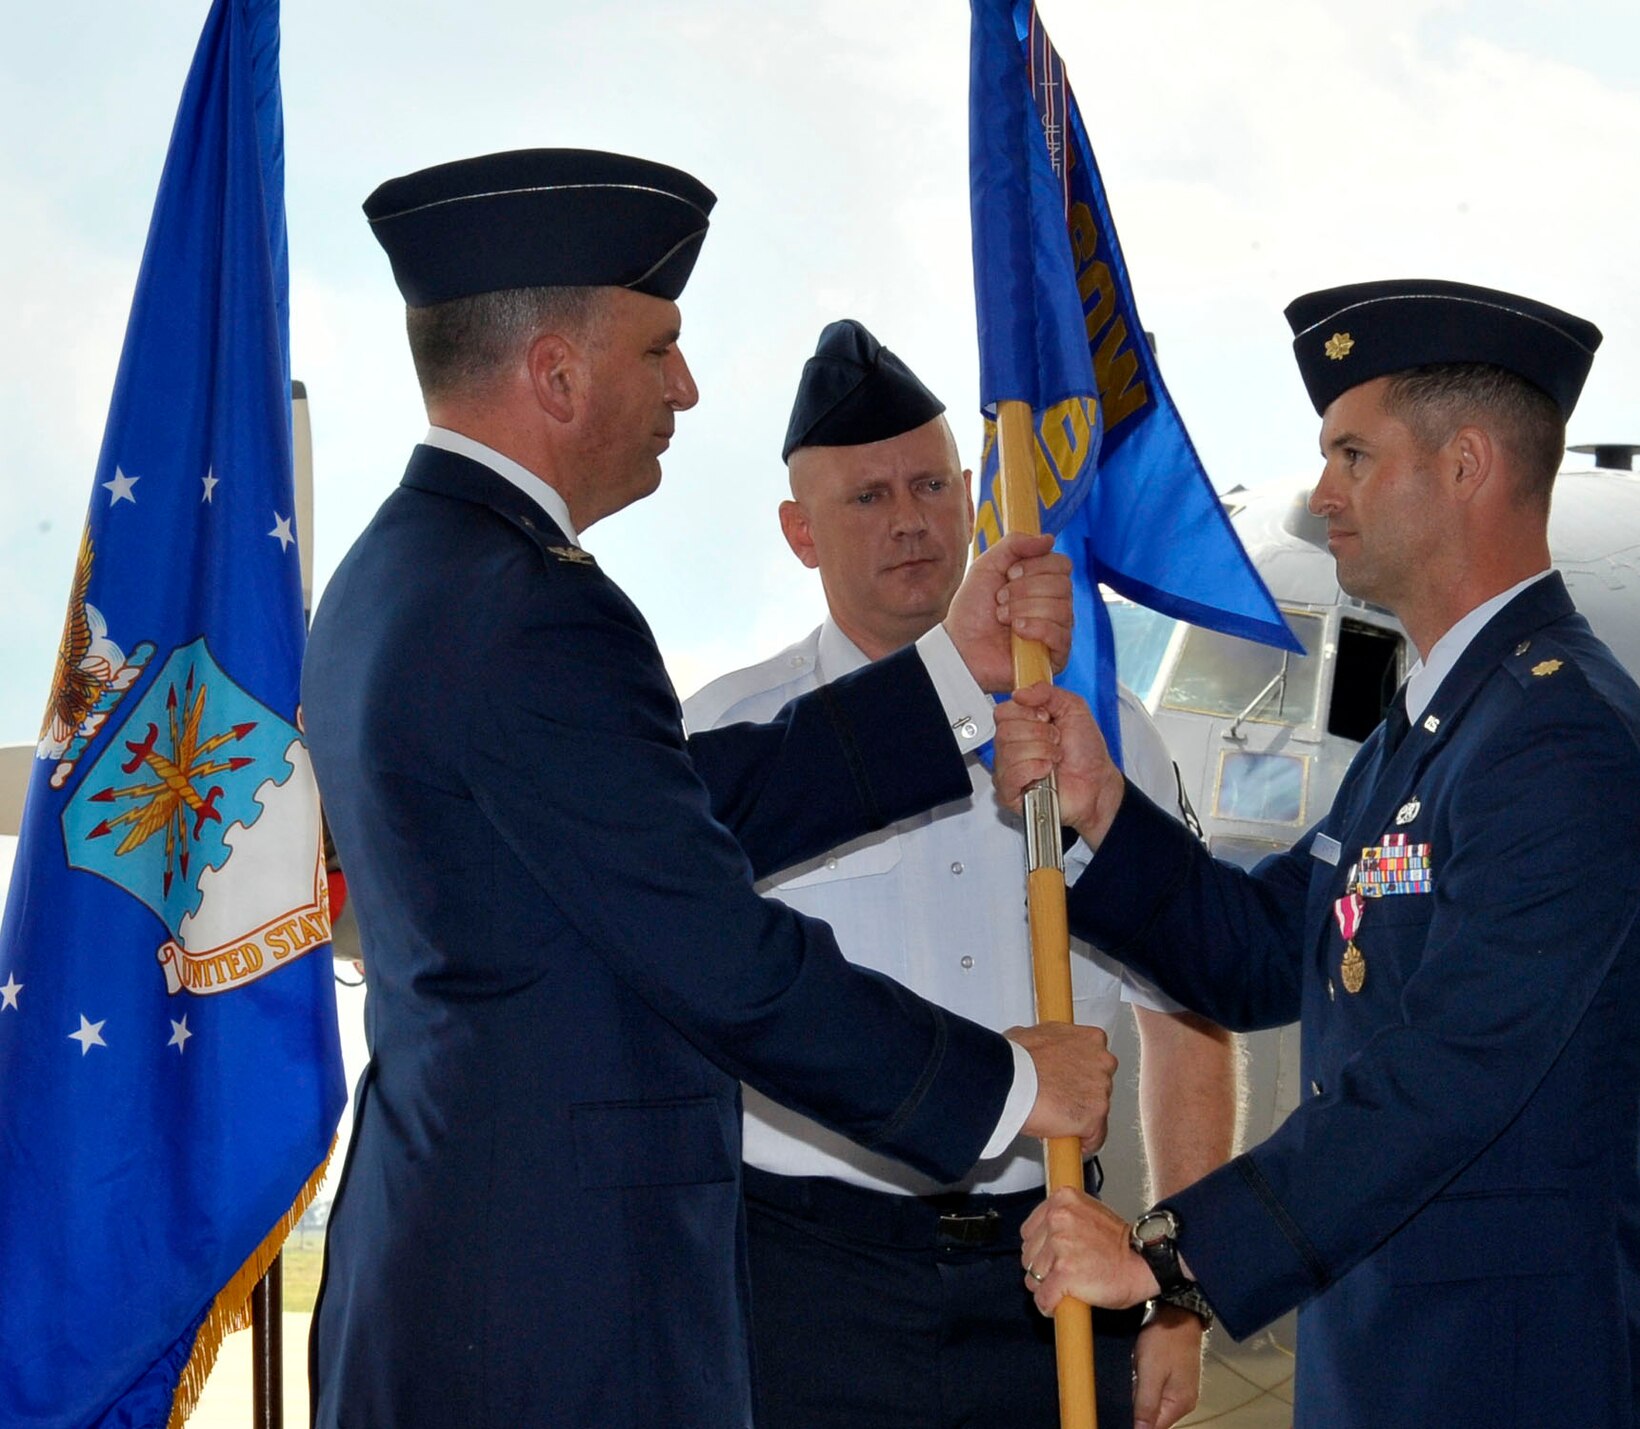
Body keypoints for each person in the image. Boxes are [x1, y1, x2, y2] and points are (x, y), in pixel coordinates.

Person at [302, 149, 1116, 1429]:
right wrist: (1011, 1085)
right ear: (556, 374)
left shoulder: (403, 571)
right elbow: (720, 953)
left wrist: (948, 678)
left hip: (459, 1260)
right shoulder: (533, 611)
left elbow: (663, 810)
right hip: (547, 1316)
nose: (684, 387)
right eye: (658, 350)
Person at [996, 279, 1640, 1427]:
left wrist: (1175, 1258)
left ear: (1464, 465)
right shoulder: (1434, 728)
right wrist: (1102, 809)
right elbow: (1269, 949)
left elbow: (1449, 1075)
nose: (1323, 494)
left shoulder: (1562, 737)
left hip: (1514, 1377)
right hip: (1385, 1360)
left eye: (1352, 456)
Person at [683, 319, 1239, 1429]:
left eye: (932, 484)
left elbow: (1189, 1014)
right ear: (798, 531)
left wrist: (1179, 1294)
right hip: (800, 1282)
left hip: (1043, 1280)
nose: (910, 521)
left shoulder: (1094, 732)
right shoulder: (723, 742)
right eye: (867, 497)